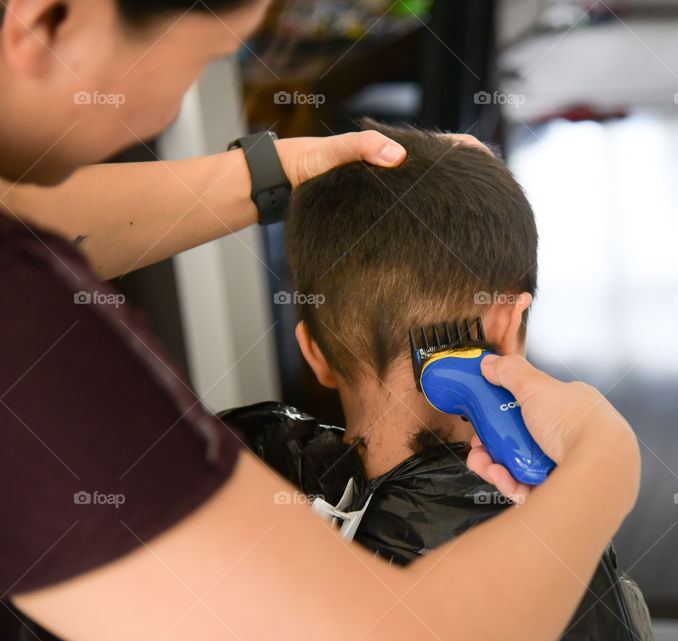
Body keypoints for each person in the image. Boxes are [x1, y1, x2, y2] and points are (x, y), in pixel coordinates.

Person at [0, 2, 642, 641]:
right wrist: (605, 456)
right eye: (202, 58)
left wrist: (271, 172)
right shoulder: (37, 340)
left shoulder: (252, 462)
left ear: (316, 352)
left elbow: (19, 218)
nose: (168, 115)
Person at [216, 120, 654, 641]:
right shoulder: (555, 560)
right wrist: (606, 450)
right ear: (506, 328)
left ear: (315, 351)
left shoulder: (228, 487)